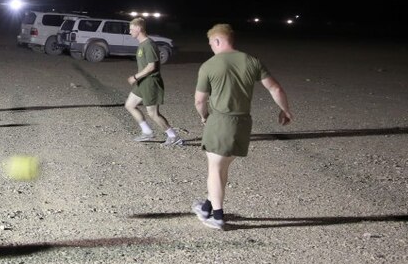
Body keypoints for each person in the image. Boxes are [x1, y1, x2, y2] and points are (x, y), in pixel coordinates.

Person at [192, 23, 293, 230]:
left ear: (218, 41)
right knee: (223, 167)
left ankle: (217, 216)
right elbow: (275, 88)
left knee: (214, 169)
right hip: (243, 123)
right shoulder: (252, 61)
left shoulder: (210, 65)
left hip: (220, 122)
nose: (211, 46)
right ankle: (206, 207)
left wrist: (204, 117)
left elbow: (199, 101)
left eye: (211, 43)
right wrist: (285, 110)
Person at [125, 17, 183, 146]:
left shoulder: (149, 45)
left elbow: (152, 66)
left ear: (139, 29)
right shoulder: (142, 44)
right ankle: (147, 132)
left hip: (150, 83)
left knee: (153, 113)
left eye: (131, 29)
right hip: (142, 83)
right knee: (130, 105)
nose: (130, 32)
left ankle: (173, 136)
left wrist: (135, 77)